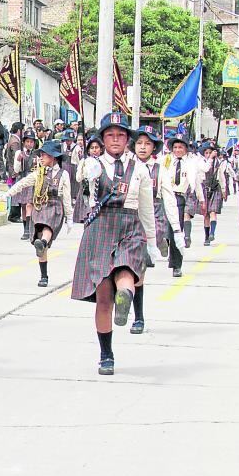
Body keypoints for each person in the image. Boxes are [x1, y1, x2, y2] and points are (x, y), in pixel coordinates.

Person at [71, 113, 160, 376]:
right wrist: (88, 171)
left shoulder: (140, 169)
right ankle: (106, 354)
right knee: (103, 297)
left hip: (129, 225)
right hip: (101, 226)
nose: (116, 140)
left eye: (121, 135)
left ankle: (126, 299)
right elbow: (84, 186)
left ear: (127, 139)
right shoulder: (93, 165)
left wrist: (152, 242)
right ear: (102, 138)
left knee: (126, 270)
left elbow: (146, 208)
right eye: (110, 135)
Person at [0, 140, 73, 287]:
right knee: (40, 241)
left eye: (44, 155)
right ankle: (44, 274)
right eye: (40, 155)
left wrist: (69, 217)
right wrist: (5, 195)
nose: (41, 158)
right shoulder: (38, 174)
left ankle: (43, 242)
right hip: (39, 207)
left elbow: (67, 197)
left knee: (47, 227)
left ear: (53, 157)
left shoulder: (63, 175)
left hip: (54, 207)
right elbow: (22, 183)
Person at [128, 126, 182, 334]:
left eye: (147, 144)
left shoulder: (161, 170)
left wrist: (176, 230)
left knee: (139, 269)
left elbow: (169, 199)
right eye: (139, 143)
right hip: (128, 217)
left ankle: (138, 317)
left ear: (154, 148)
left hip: (152, 216)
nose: (143, 147)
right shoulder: (126, 165)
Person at [160, 133, 194, 277]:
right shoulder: (166, 160)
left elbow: (195, 181)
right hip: (166, 196)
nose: (178, 150)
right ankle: (165, 245)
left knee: (177, 231)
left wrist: (200, 198)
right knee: (165, 228)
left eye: (181, 147)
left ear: (186, 148)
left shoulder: (191, 162)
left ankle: (177, 265)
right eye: (175, 147)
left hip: (180, 198)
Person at [12, 129, 39, 240]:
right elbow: (16, 169)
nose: (29, 144)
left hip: (32, 181)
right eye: (27, 141)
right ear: (23, 142)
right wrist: (19, 161)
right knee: (23, 206)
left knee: (29, 204)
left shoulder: (36, 154)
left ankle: (28, 228)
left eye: (31, 142)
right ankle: (25, 229)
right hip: (22, 179)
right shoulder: (19, 153)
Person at [73, 136, 103, 224]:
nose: (94, 150)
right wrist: (83, 168)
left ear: (101, 149)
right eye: (92, 148)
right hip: (86, 192)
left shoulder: (104, 161)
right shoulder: (84, 161)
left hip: (100, 192)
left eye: (96, 147)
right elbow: (78, 178)